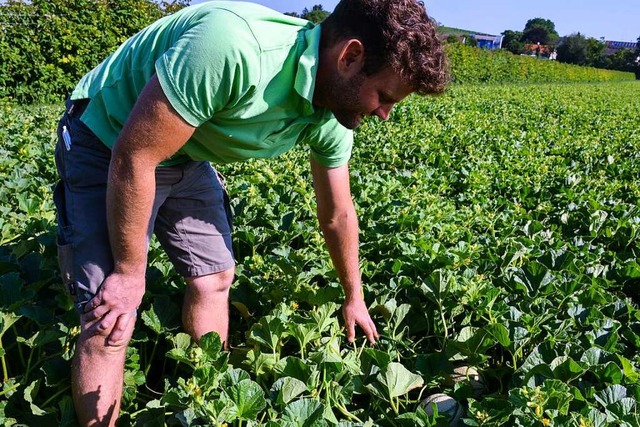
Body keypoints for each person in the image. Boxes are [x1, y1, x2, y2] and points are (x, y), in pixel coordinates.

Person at [53, 0, 448, 425]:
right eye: (384, 96)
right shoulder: (233, 46)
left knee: (214, 277)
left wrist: (355, 298)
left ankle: (207, 403)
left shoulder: (336, 110)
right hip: (108, 137)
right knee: (110, 316)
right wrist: (130, 274)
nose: (384, 114)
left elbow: (338, 214)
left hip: (185, 150)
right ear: (349, 57)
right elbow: (135, 157)